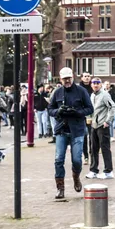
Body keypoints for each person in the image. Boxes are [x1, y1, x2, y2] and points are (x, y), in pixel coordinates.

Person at [47, 67, 94, 199]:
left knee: (77, 160)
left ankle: (76, 176)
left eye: (69, 78)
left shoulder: (81, 91)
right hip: (62, 129)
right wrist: (58, 111)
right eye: (64, 79)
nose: (67, 81)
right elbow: (50, 109)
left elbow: (90, 108)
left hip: (77, 129)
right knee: (58, 159)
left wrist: (78, 112)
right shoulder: (57, 92)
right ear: (61, 79)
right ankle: (60, 188)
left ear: (73, 78)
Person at [86, 77, 115, 179]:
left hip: (102, 125)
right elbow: (91, 109)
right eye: (94, 83)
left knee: (105, 148)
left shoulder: (104, 95)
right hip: (94, 125)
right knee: (93, 148)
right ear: (91, 85)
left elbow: (113, 107)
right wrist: (89, 118)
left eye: (97, 83)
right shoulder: (92, 95)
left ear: (101, 85)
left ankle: (108, 171)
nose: (95, 85)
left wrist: (107, 121)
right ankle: (93, 170)